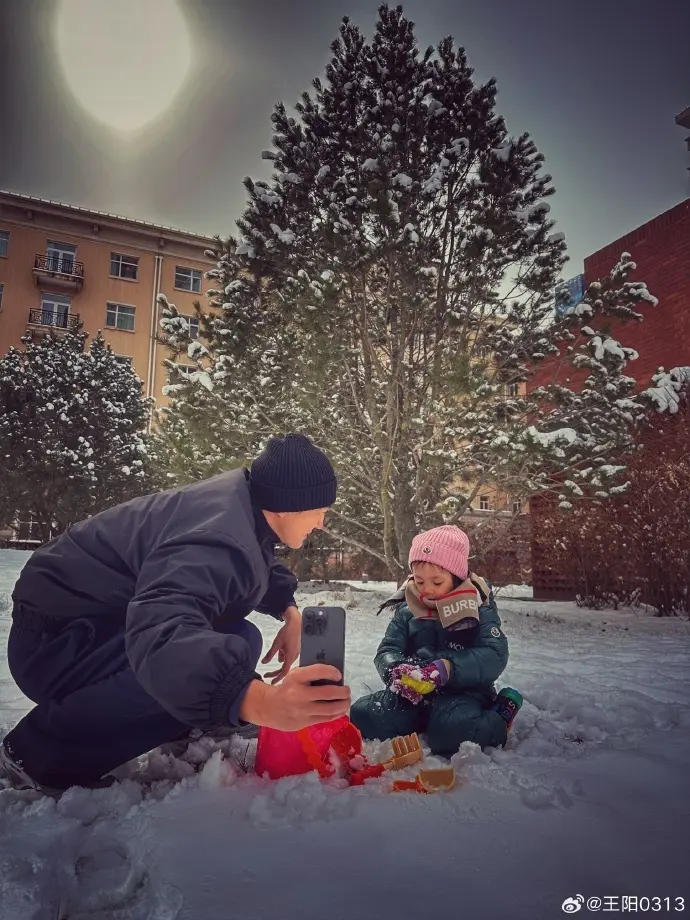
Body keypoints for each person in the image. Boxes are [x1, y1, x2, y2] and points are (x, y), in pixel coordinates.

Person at [0, 433, 351, 794]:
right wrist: (257, 700)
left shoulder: (241, 507)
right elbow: (161, 634)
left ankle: (185, 720)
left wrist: (287, 609)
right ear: (286, 505)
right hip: (56, 644)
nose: (322, 523)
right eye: (320, 510)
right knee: (177, 665)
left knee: (240, 640)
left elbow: (254, 562)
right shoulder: (217, 536)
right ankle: (37, 753)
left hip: (87, 625)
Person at [350, 525, 523, 756]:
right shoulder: (408, 607)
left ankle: (500, 715)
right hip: (414, 694)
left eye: (437, 582)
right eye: (419, 582)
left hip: (463, 693)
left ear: (456, 577)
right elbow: (388, 648)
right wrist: (395, 669)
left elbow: (494, 654)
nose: (426, 590)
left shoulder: (478, 605)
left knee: (451, 735)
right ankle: (421, 721)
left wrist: (448, 668)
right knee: (364, 714)